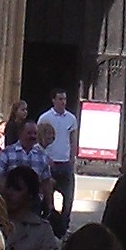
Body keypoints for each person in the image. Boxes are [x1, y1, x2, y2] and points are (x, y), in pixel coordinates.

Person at [39, 88, 80, 224]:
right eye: (60, 99)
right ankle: (46, 221)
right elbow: (40, 139)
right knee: (47, 196)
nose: (63, 102)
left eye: (65, 99)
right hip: (50, 163)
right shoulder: (45, 117)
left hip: (65, 163)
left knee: (68, 197)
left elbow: (73, 139)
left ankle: (64, 224)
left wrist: (72, 158)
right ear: (53, 100)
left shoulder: (71, 118)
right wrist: (44, 158)